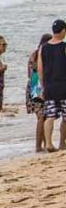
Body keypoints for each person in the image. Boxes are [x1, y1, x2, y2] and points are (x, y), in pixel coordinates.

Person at [38, 20, 66, 151]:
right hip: (63, 85)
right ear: (63, 31)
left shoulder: (43, 47)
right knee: (65, 117)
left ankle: (48, 143)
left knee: (50, 116)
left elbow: (40, 69)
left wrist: (43, 86)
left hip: (49, 86)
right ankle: (62, 143)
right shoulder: (64, 46)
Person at [27, 33, 54, 152]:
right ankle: (39, 146)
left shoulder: (34, 54)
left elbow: (29, 74)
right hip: (40, 88)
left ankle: (42, 145)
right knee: (43, 117)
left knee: (42, 117)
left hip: (33, 87)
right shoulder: (44, 54)